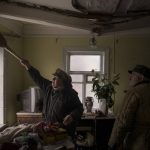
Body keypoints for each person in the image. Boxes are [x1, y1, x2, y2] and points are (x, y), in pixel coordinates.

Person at [20, 59, 84, 138]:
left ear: (63, 81)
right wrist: (28, 66)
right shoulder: (49, 88)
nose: (52, 79)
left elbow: (79, 108)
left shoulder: (70, 93)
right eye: (53, 77)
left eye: (55, 78)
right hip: (48, 129)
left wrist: (72, 116)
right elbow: (38, 78)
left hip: (63, 132)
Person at [108, 65, 150, 150]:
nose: (130, 78)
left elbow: (123, 121)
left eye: (133, 75)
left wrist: (113, 144)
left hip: (138, 142)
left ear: (141, 78)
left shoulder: (135, 92)